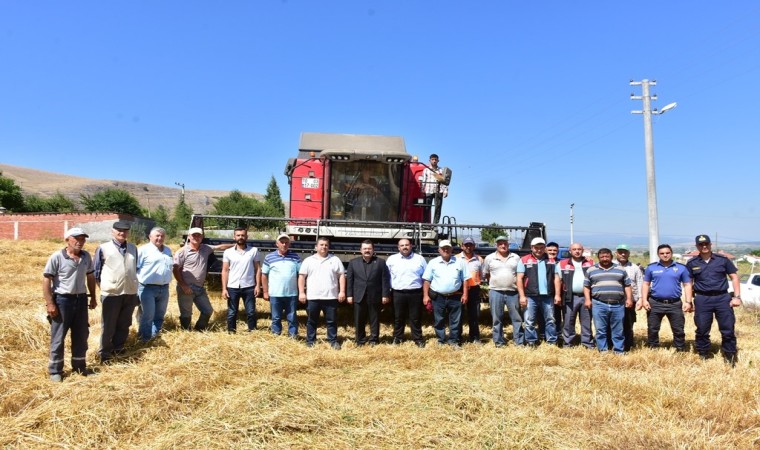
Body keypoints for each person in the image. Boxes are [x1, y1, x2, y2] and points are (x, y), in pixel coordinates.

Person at [43, 227, 97, 381]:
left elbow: (91, 277)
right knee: (58, 337)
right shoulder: (57, 257)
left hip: (81, 300)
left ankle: (79, 366)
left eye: (82, 239)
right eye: (76, 239)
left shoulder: (86, 256)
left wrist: (93, 297)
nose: (80, 242)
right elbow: (47, 280)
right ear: (67, 240)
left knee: (81, 335)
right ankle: (55, 371)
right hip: (62, 301)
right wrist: (50, 304)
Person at [686, 234, 741, 366]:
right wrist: (688, 301)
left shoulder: (722, 260)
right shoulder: (692, 263)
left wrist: (737, 297)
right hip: (702, 299)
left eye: (706, 244)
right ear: (697, 246)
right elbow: (688, 283)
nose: (704, 246)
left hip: (722, 298)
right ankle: (704, 354)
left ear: (711, 245)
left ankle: (729, 356)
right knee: (702, 329)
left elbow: (734, 277)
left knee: (727, 329)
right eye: (701, 244)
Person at [94, 221, 139, 363]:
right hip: (111, 293)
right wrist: (105, 287)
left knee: (124, 323)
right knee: (108, 325)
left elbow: (134, 268)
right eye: (119, 230)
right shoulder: (103, 248)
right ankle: (105, 354)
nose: (122, 233)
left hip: (129, 292)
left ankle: (118, 348)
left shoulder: (133, 248)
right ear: (113, 231)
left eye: (125, 230)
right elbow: (96, 272)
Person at [173, 227, 233, 331]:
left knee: (207, 311)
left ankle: (199, 329)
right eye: (194, 235)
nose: (196, 237)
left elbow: (220, 247)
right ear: (189, 237)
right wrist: (183, 285)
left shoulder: (205, 248)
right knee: (186, 313)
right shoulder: (182, 251)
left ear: (202, 237)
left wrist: (236, 245)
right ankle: (186, 332)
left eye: (199, 235)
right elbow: (175, 269)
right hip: (186, 288)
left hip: (200, 288)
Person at [640, 244, 692, 352]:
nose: (665, 255)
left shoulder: (681, 268)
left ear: (671, 253)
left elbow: (687, 285)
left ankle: (680, 349)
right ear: (658, 254)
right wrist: (644, 300)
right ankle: (653, 348)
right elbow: (646, 284)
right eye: (662, 253)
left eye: (667, 253)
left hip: (675, 304)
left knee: (678, 329)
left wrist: (688, 302)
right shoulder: (651, 268)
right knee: (653, 328)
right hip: (655, 303)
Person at [298, 237, 346, 349]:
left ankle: (333, 341)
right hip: (313, 297)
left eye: (326, 245)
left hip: (330, 297)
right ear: (316, 247)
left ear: (329, 247)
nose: (324, 247)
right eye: (321, 244)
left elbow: (342, 276)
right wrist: (301, 292)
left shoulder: (335, 260)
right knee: (311, 321)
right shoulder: (308, 261)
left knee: (332, 321)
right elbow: (301, 277)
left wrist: (342, 291)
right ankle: (310, 341)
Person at [584, 248, 632, 354]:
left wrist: (629, 299)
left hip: (618, 304)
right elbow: (586, 286)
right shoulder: (591, 270)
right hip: (599, 304)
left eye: (607, 256)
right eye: (602, 257)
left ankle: (619, 351)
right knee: (600, 330)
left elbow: (627, 285)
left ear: (611, 257)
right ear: (598, 258)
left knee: (618, 330)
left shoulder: (620, 269)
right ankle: (603, 351)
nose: (605, 259)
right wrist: (587, 300)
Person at [422, 240, 470, 346]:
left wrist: (465, 294)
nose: (445, 250)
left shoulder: (460, 262)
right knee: (439, 319)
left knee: (455, 320)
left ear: (452, 249)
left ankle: (454, 341)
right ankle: (441, 340)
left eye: (448, 247)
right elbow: (426, 280)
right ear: (439, 250)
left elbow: (465, 280)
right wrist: (425, 295)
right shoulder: (433, 262)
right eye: (443, 248)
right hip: (438, 297)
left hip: (455, 296)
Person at [517, 238, 561, 347]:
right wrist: (522, 296)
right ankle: (531, 341)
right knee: (529, 320)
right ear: (532, 248)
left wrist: (557, 294)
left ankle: (551, 341)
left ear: (544, 248)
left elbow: (556, 278)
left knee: (550, 319)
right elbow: (519, 279)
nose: (539, 250)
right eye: (536, 248)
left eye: (541, 248)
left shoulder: (551, 261)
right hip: (530, 296)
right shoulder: (524, 260)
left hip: (547, 296)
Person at [346, 240, 391, 346]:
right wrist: (349, 295)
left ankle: (374, 340)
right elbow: (350, 280)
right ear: (360, 250)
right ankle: (360, 340)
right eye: (365, 248)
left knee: (374, 319)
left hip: (375, 295)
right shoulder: (353, 262)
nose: (367, 250)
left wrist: (385, 294)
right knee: (359, 319)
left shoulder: (381, 262)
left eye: (369, 248)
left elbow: (385, 279)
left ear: (373, 250)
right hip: (359, 295)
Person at [482, 234, 522, 347]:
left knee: (517, 318)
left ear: (508, 244)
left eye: (505, 243)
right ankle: (498, 341)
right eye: (500, 243)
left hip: (513, 292)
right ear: (496, 245)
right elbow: (487, 274)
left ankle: (518, 341)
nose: (503, 245)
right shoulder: (489, 258)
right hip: (495, 292)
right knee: (496, 318)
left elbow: (520, 274)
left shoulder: (516, 257)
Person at [386, 238, 427, 347]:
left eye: (407, 245)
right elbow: (386, 277)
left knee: (416, 317)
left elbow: (425, 278)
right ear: (398, 247)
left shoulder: (420, 259)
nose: (405, 247)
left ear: (411, 246)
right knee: (398, 317)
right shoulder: (391, 259)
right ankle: (398, 338)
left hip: (415, 293)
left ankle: (418, 339)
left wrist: (425, 294)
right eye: (402, 245)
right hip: (397, 293)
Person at [135, 227, 173, 342]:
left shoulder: (168, 250)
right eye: (157, 236)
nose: (160, 238)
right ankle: (144, 339)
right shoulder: (143, 250)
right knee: (148, 315)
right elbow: (135, 269)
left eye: (162, 236)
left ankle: (154, 336)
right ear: (150, 237)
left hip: (164, 288)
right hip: (147, 288)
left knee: (160, 315)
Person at [221, 227, 261, 333]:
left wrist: (257, 285)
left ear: (246, 237)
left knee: (251, 312)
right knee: (232, 312)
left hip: (249, 286)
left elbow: (258, 269)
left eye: (243, 235)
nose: (240, 237)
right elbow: (225, 270)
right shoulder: (228, 252)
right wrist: (224, 289)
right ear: (234, 237)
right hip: (233, 286)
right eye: (238, 235)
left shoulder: (253, 251)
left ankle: (252, 331)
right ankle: (231, 332)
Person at [262, 233, 301, 338]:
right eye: (282, 242)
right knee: (276, 317)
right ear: (277, 244)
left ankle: (293, 336)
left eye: (286, 242)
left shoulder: (295, 257)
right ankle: (276, 335)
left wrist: (301, 291)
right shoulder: (269, 257)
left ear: (289, 244)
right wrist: (265, 291)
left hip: (291, 293)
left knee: (292, 316)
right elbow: (264, 275)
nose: (284, 244)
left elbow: (300, 275)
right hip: (275, 293)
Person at [557, 243, 595, 349]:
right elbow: (558, 280)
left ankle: (587, 344)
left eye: (579, 249)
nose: (577, 251)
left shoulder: (590, 263)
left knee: (586, 321)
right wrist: (558, 295)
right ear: (570, 251)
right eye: (574, 249)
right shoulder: (562, 263)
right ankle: (568, 344)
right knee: (568, 322)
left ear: (583, 250)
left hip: (586, 297)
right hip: (570, 297)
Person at [615, 244, 643, 351]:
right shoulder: (611, 266)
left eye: (625, 252)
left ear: (628, 253)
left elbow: (640, 283)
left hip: (630, 300)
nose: (623, 254)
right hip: (614, 300)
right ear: (616, 253)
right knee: (614, 324)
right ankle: (613, 344)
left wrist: (640, 299)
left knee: (628, 324)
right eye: (620, 252)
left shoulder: (635, 268)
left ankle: (627, 346)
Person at [457, 237, 484, 344]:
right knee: (458, 315)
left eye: (470, 245)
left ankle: (474, 337)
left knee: (474, 315)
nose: (468, 247)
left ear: (474, 246)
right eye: (466, 245)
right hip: (459, 290)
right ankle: (458, 338)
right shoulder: (456, 258)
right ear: (462, 246)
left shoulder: (479, 259)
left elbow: (482, 275)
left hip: (474, 290)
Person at [420, 153, 448, 223]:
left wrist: (445, 191)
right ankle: (426, 223)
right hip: (428, 190)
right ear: (429, 160)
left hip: (439, 191)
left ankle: (435, 224)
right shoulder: (426, 170)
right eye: (432, 159)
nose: (434, 161)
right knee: (426, 207)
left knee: (438, 208)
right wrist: (422, 190)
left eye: (435, 159)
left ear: (438, 161)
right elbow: (423, 181)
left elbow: (444, 182)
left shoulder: (441, 170)